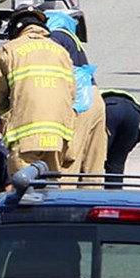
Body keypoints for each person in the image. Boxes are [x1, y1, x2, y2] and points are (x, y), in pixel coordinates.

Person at [0, 5, 77, 175]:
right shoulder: (61, 52)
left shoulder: (9, 50)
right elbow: (71, 93)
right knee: (50, 191)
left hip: (25, 137)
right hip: (58, 136)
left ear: (15, 28)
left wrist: (9, 114)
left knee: (24, 190)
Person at [45, 10, 107, 186]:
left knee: (69, 160)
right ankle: (91, 205)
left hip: (79, 102)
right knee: (93, 163)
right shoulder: (69, 37)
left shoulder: (54, 38)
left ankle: (65, 206)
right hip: (94, 98)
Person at [100, 89, 140, 187]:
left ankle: (88, 195)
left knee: (94, 160)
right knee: (116, 163)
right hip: (133, 112)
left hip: (109, 109)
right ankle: (113, 198)